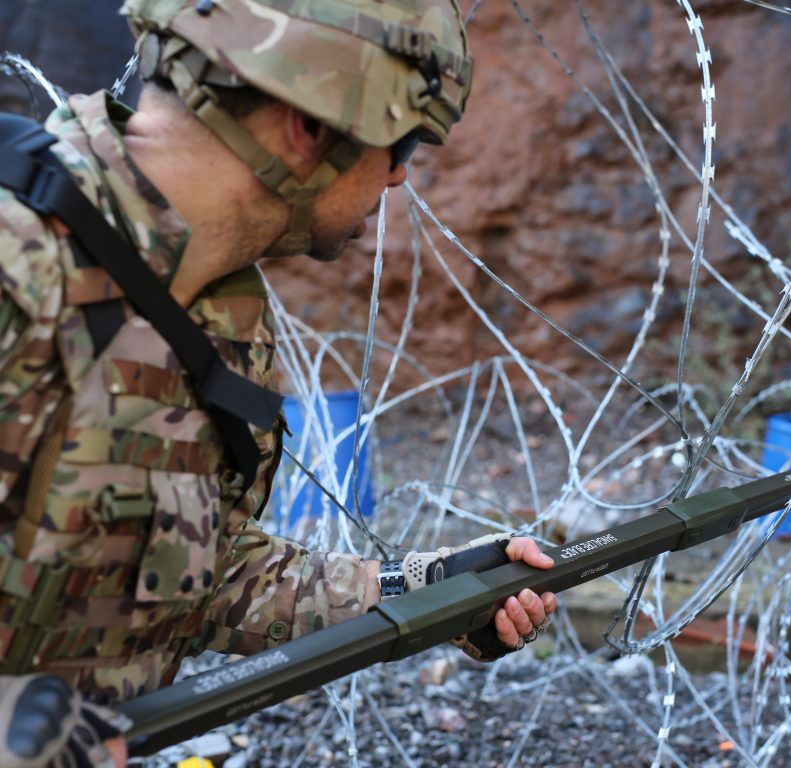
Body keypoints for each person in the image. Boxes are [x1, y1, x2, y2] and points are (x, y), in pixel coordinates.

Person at [0, 1, 557, 765]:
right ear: (309, 127)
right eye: (403, 143)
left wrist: (428, 590)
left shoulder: (221, 312)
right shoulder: (17, 265)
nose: (398, 176)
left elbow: (200, 575)